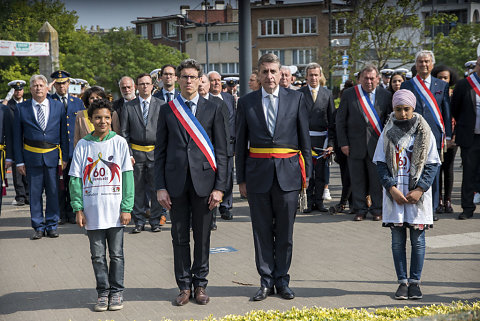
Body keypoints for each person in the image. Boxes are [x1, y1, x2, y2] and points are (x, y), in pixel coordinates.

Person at [235, 53, 312, 301]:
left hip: (288, 175)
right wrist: (241, 179)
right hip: (257, 176)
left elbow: (304, 139)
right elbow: (240, 144)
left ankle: (282, 280)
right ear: (258, 74)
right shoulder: (246, 102)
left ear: (281, 73)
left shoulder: (296, 99)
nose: (269, 76)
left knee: (286, 232)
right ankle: (266, 280)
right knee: (261, 231)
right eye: (264, 71)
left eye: (273, 71)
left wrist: (307, 174)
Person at [155, 59, 227, 306]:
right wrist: (160, 187)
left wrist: (220, 188)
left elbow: (222, 151)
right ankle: (184, 286)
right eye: (183, 76)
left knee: (203, 236)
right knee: (179, 236)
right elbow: (160, 152)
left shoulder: (214, 108)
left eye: (192, 77)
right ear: (177, 79)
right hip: (175, 184)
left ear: (199, 80)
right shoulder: (167, 110)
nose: (188, 81)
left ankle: (201, 285)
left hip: (205, 184)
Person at [373, 89, 440, 300]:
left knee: (418, 241)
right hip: (396, 193)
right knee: (397, 241)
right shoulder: (387, 131)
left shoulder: (424, 131)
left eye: (406, 109)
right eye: (398, 109)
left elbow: (432, 163)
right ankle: (402, 282)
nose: (402, 113)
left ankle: (416, 282)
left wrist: (420, 189)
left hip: (417, 195)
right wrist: (391, 188)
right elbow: (381, 163)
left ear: (413, 109)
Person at [69, 99, 134, 312]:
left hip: (115, 211)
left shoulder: (120, 143)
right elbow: (75, 179)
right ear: (91, 119)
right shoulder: (83, 145)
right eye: (98, 117)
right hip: (92, 211)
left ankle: (117, 292)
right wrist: (78, 208)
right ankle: (103, 292)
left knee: (116, 254)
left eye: (107, 117)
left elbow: (127, 178)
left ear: (111, 119)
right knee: (97, 255)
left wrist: (127, 207)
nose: (102, 121)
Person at [14, 74, 68, 239]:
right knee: (35, 194)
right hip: (32, 157)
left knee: (53, 192)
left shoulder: (57, 106)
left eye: (41, 85)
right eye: (35, 85)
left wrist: (65, 157)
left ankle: (51, 225)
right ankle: (38, 226)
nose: (38, 88)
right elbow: (17, 137)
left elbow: (63, 135)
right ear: (30, 89)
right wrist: (19, 161)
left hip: (52, 156)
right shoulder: (21, 108)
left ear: (47, 88)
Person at [401, 50, 452, 222]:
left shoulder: (441, 85)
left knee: (433, 174)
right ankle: (414, 204)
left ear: (432, 64)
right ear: (416, 65)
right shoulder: (408, 85)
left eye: (427, 61)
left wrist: (448, 136)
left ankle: (431, 209)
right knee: (413, 172)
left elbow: (446, 113)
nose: (423, 64)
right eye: (420, 62)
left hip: (435, 137)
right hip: (413, 136)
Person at [336, 65, 392, 221]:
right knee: (357, 179)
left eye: (372, 78)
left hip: (377, 145)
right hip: (354, 145)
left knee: (376, 180)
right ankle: (360, 209)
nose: (369, 81)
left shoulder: (386, 95)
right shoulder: (349, 94)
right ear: (359, 79)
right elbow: (340, 121)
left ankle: (377, 209)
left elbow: (390, 121)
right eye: (365, 78)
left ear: (377, 79)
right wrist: (343, 143)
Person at [121, 73, 166, 233]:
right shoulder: (129, 106)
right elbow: (124, 133)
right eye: (141, 84)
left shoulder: (161, 105)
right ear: (137, 87)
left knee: (156, 189)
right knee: (137, 189)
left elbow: (165, 132)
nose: (145, 86)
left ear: (152, 86)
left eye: (147, 83)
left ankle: (155, 221)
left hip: (155, 153)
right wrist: (129, 153)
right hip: (136, 154)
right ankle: (139, 221)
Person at [298, 63, 335, 213]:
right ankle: (308, 201)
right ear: (306, 77)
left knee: (320, 173)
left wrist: (331, 143)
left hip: (322, 141)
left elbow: (332, 121)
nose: (313, 77)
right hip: (305, 139)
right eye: (310, 75)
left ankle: (319, 202)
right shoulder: (299, 94)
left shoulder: (327, 94)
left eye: (316, 74)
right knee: (307, 173)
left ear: (320, 76)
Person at [50, 70, 86, 225]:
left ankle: (72, 212)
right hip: (56, 150)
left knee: (73, 183)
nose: (61, 86)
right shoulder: (50, 100)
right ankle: (60, 213)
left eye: (64, 83)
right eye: (58, 84)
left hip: (74, 149)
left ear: (69, 83)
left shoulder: (77, 102)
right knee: (58, 184)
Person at [198, 74, 231, 230]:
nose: (201, 85)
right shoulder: (188, 105)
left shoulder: (217, 103)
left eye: (204, 82)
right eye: (201, 82)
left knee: (212, 189)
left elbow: (224, 130)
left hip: (211, 153)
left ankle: (212, 220)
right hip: (195, 154)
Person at [451, 55, 480, 220]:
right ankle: (467, 208)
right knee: (468, 174)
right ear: (477, 63)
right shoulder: (464, 85)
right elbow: (455, 108)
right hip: (470, 137)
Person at [208, 71, 236, 220]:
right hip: (212, 146)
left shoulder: (229, 98)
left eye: (218, 80)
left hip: (229, 144)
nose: (216, 83)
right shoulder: (205, 100)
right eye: (212, 80)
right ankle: (212, 209)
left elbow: (234, 121)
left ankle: (226, 206)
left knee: (229, 177)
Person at [431, 65, 458, 214]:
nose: (442, 80)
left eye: (445, 78)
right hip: (436, 135)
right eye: (440, 77)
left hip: (450, 136)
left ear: (450, 79)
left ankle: (448, 199)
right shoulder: (434, 93)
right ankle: (439, 199)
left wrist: (454, 134)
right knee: (437, 168)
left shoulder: (454, 94)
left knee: (448, 168)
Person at [4, 80, 29, 206]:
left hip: (27, 141)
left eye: (20, 89)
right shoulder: (8, 105)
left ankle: (28, 194)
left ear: (23, 90)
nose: (18, 92)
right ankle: (20, 196)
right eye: (16, 90)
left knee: (28, 169)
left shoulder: (27, 104)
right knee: (17, 170)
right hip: (14, 140)